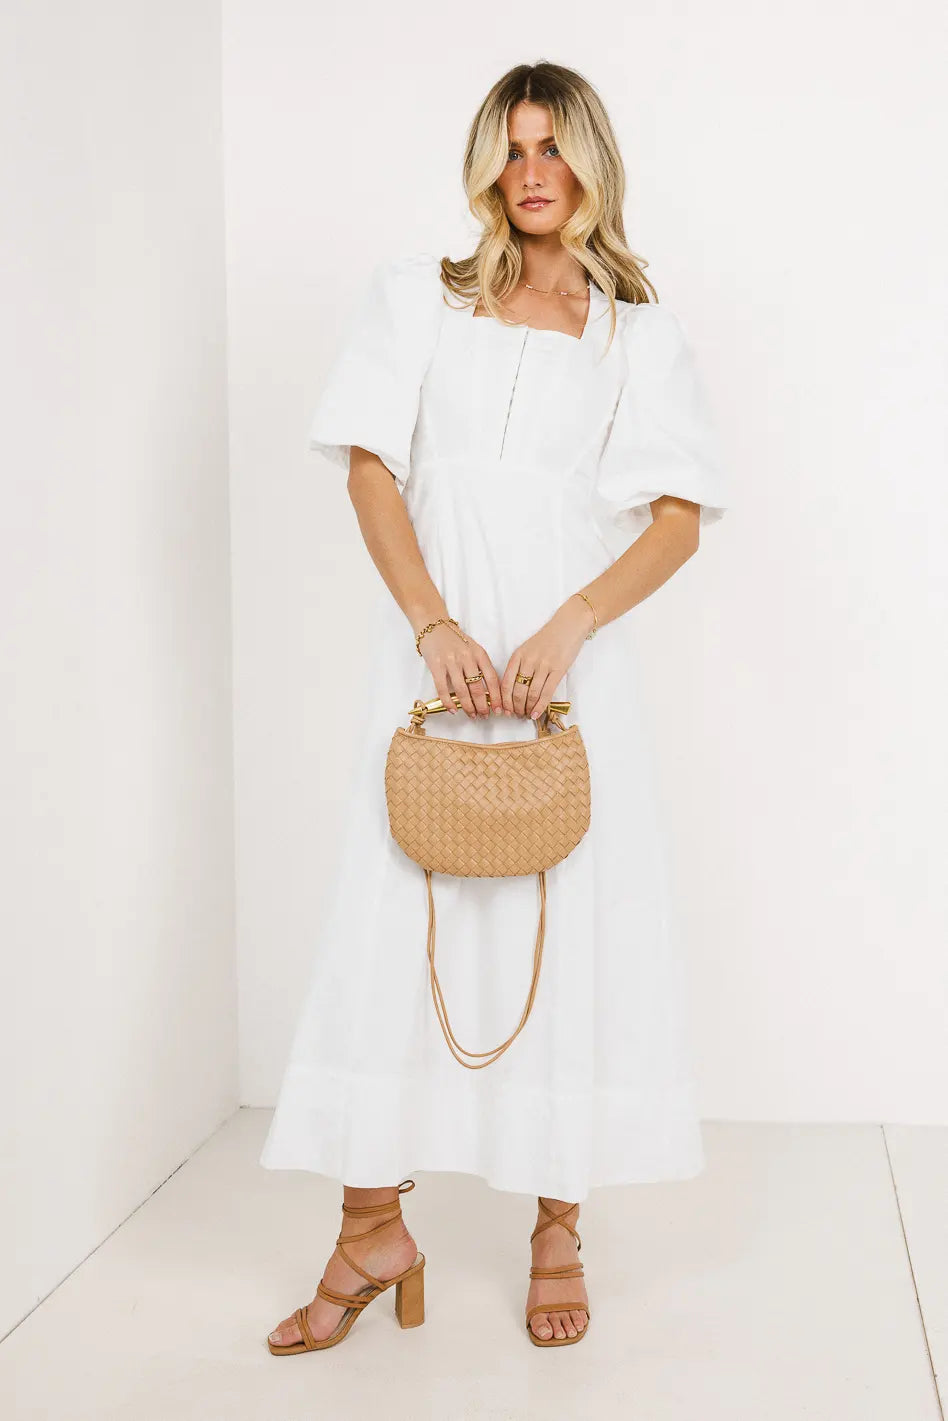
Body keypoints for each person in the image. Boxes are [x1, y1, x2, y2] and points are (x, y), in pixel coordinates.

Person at [262, 59, 730, 1352]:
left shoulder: (637, 332)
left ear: (591, 164)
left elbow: (677, 519)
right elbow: (371, 467)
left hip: (565, 680)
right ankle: (370, 1225)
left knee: (563, 927)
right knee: (391, 920)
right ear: (488, 164)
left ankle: (557, 1227)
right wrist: (433, 622)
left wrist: (571, 623)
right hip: (433, 663)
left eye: (554, 147)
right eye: (514, 148)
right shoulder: (417, 298)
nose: (533, 172)